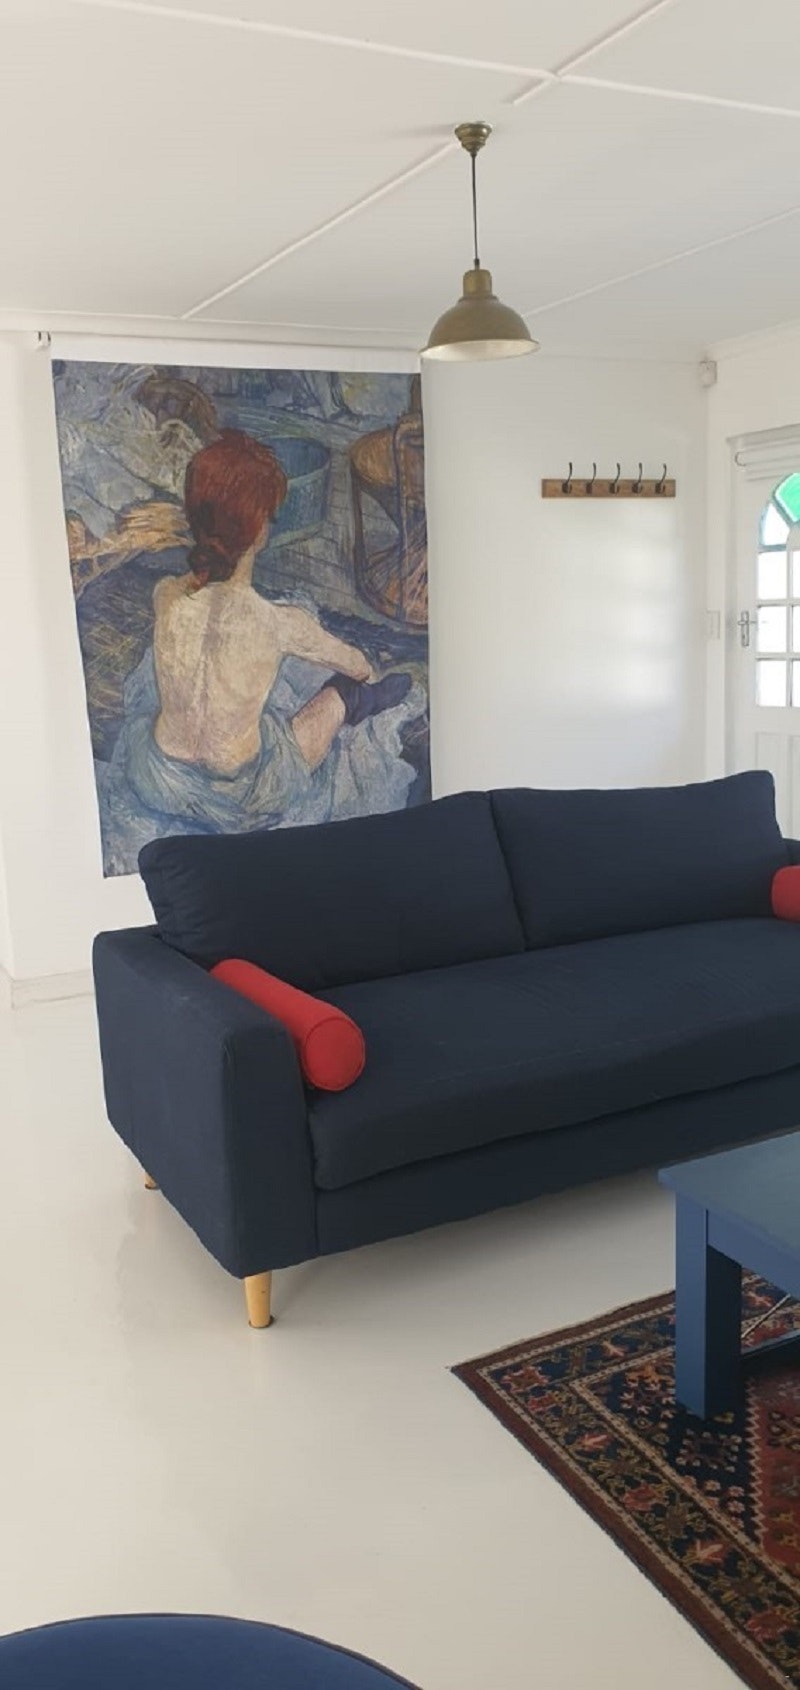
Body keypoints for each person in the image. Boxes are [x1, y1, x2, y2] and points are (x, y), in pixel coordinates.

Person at [123, 428, 411, 828]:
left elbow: (200, 592)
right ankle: (355, 703)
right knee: (343, 691)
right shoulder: (281, 622)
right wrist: (362, 674)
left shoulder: (166, 594)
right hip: (245, 794)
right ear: (261, 529)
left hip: (160, 777)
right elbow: (360, 667)